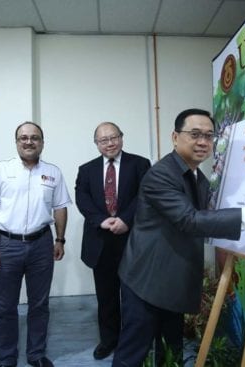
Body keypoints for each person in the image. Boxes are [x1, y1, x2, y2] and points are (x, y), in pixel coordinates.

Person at [112, 108, 245, 367]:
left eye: (209, 136)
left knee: (170, 350)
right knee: (133, 353)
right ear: (175, 137)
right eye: (195, 134)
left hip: (172, 281)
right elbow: (191, 220)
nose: (203, 142)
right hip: (146, 280)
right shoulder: (161, 175)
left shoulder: (196, 175)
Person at [0, 121, 71, 367]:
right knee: (5, 307)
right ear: (16, 142)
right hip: (6, 245)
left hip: (41, 244)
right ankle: (7, 359)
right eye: (23, 137)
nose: (29, 141)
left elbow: (60, 208)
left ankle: (36, 355)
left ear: (42, 142)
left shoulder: (53, 172)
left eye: (34, 137)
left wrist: (60, 239)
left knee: (39, 304)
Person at [75, 122, 151, 360]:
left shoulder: (140, 164)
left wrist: (125, 219)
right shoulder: (86, 169)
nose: (109, 143)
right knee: (106, 296)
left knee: (133, 296)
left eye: (113, 137)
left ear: (121, 137)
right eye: (103, 140)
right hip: (101, 240)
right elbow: (82, 198)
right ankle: (109, 340)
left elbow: (145, 194)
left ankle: (132, 342)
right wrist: (101, 220)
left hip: (132, 239)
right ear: (96, 144)